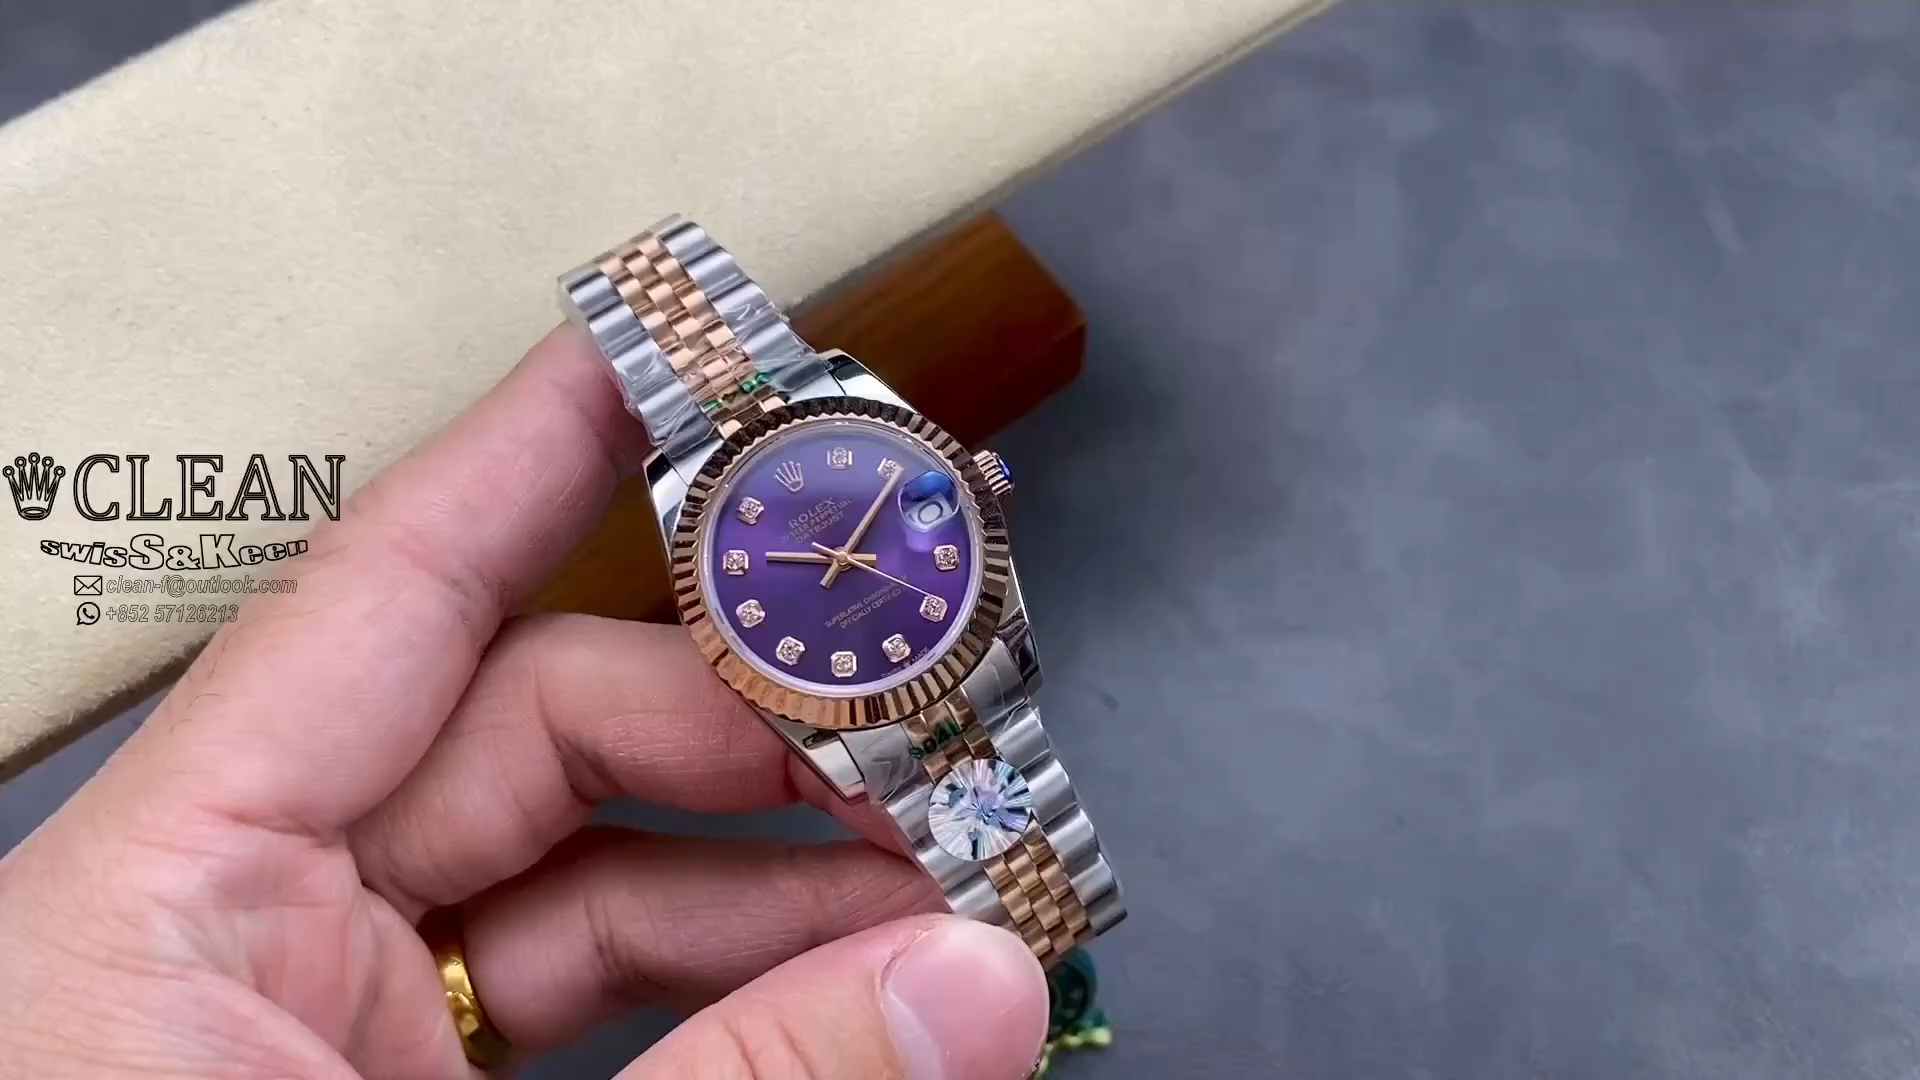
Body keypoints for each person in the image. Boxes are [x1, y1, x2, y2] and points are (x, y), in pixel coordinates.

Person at [0, 328, 1050, 1078]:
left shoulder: (859, 422)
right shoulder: (725, 536)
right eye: (819, 554)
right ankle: (1039, 909)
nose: (839, 559)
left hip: (943, 644)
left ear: (975, 481)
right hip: (859, 675)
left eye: (848, 543)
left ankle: (1042, 896)